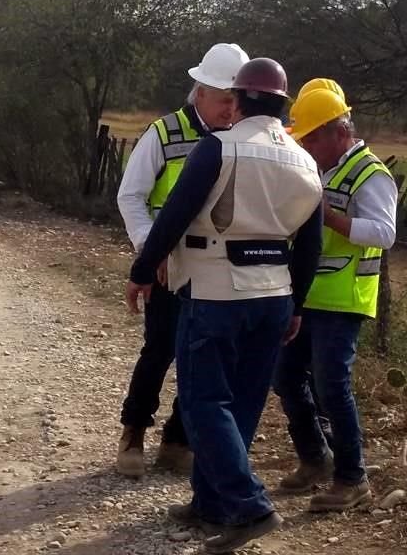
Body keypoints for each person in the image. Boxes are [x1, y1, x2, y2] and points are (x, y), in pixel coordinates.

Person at [126, 58, 323, 553]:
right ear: (283, 106)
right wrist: (297, 303)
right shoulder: (304, 160)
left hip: (215, 288)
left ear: (236, 100)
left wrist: (142, 270)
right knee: (243, 402)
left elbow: (174, 215)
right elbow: (311, 244)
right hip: (274, 294)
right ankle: (211, 502)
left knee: (202, 401)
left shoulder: (218, 146)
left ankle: (249, 506)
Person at [114, 42, 249, 477]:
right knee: (160, 349)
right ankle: (133, 431)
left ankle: (177, 439)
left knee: (206, 357)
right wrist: (147, 249)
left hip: (218, 270)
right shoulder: (165, 133)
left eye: (237, 100)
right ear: (201, 91)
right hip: (168, 267)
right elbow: (131, 196)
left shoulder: (241, 139)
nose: (232, 109)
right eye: (225, 99)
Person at [273, 82, 397, 511]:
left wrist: (327, 215)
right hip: (307, 294)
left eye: (309, 137)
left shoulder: (370, 173)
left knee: (331, 386)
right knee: (285, 375)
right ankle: (315, 457)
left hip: (343, 300)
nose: (305, 144)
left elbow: (384, 234)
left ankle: (351, 478)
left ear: (336, 132)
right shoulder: (320, 168)